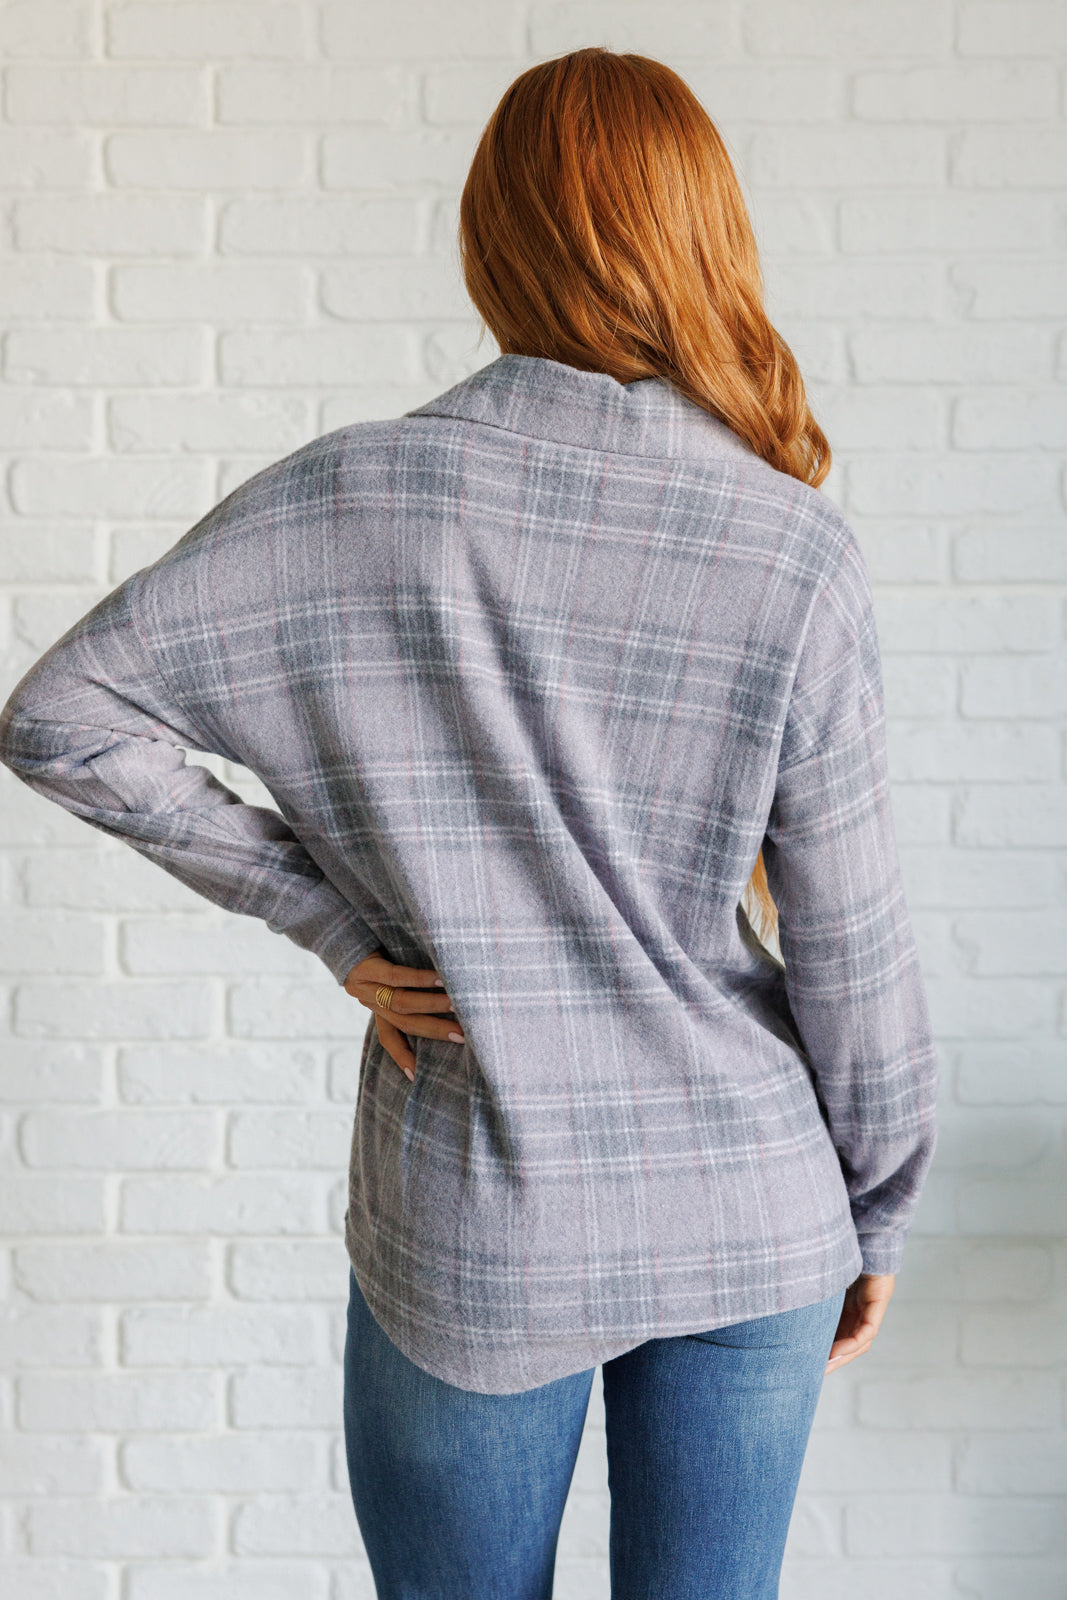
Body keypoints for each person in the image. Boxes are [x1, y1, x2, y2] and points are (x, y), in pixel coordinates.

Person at [0, 45, 938, 1600]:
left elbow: (61, 714)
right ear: (707, 238)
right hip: (747, 1204)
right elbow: (853, 950)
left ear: (493, 241)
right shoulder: (794, 552)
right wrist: (881, 1204)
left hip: (479, 1212)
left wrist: (332, 924)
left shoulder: (356, 498)